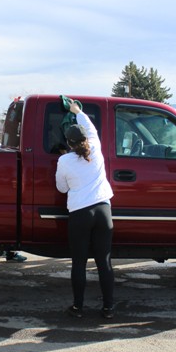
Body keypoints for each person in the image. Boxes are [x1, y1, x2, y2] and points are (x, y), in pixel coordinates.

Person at [55, 97, 115, 319]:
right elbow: (91, 128)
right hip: (103, 211)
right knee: (104, 261)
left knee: (79, 262)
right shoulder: (96, 149)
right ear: (85, 139)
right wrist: (77, 111)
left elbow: (61, 188)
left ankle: (78, 307)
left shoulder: (65, 161)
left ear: (69, 143)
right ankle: (108, 308)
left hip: (80, 213)